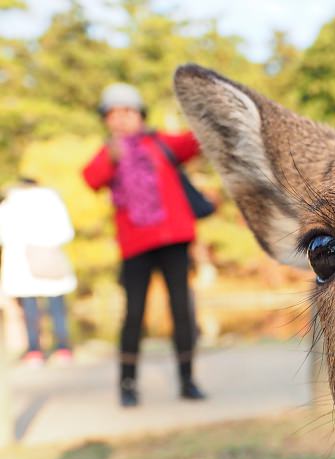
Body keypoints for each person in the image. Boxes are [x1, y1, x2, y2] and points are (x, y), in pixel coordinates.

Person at [83, 82, 206, 406]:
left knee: (181, 309)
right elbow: (91, 178)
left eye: (128, 111)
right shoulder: (108, 152)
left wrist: (199, 107)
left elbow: (196, 142)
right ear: (106, 119)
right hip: (135, 243)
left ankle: (187, 380)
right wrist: (111, 157)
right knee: (133, 313)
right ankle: (127, 384)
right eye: (114, 113)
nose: (121, 119)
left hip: (173, 238)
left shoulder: (159, 142)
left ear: (139, 114)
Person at [0, 177, 76, 364]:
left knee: (30, 309)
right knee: (57, 308)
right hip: (50, 259)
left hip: (21, 263)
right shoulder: (52, 201)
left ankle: (34, 351)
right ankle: (63, 349)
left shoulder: (10, 204)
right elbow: (67, 232)